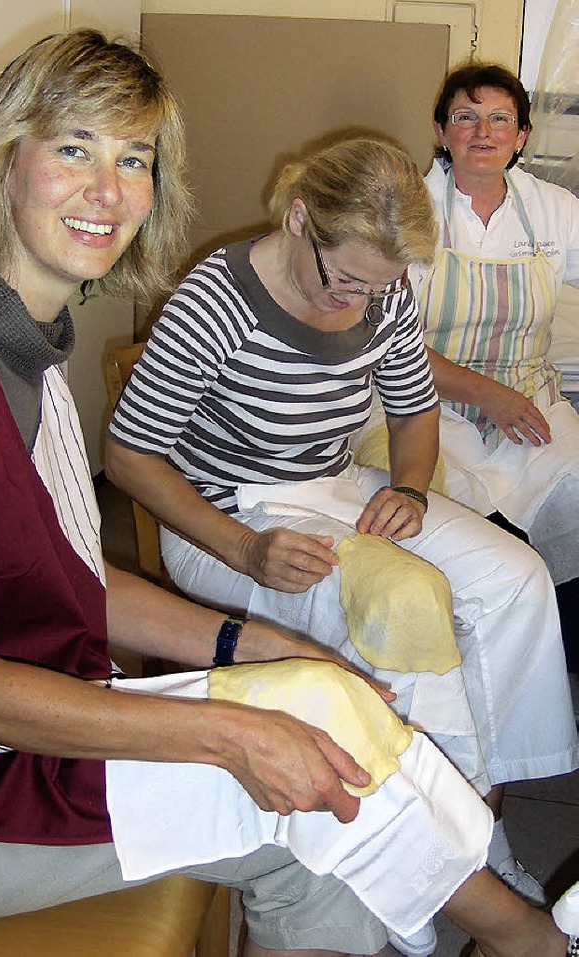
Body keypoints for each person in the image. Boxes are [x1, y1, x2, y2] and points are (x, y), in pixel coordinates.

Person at [0, 27, 573, 957]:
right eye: (73, 148)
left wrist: (265, 645)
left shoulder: (29, 355)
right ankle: (522, 931)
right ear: (2, 156)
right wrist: (231, 726)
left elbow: (76, 582)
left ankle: (485, 872)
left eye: (134, 158)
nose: (108, 189)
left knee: (341, 707)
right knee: (320, 789)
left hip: (37, 712)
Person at [106, 133, 578, 952]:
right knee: (403, 608)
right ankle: (439, 869)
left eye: (381, 287)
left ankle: (474, 833)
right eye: (348, 282)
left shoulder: (381, 291)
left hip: (331, 485)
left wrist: (406, 482)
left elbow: (413, 404)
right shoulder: (214, 299)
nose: (361, 304)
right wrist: (242, 550)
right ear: (299, 220)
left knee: (515, 578)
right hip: (228, 513)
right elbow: (128, 455)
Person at [408, 63, 579, 669]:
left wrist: (508, 400)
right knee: (468, 536)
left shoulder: (555, 210)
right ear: (441, 130)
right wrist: (486, 395)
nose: (483, 132)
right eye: (466, 117)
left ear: (523, 134)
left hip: (533, 407)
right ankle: (475, 670)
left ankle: (559, 665)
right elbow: (384, 339)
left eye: (500, 118)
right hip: (427, 408)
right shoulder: (407, 210)